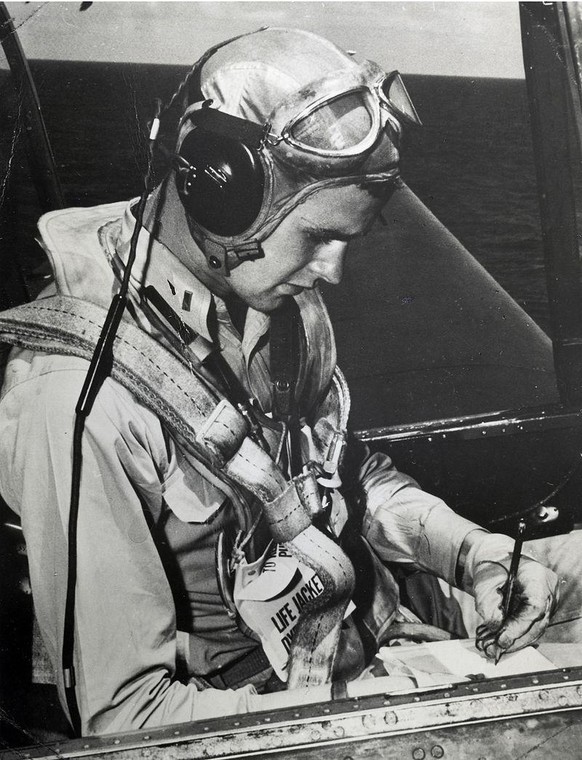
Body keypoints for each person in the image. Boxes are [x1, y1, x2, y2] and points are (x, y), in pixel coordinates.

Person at [0, 26, 578, 738]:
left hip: (384, 621)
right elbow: (127, 723)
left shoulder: (279, 301)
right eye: (316, 238)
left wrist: (473, 553)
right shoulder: (76, 400)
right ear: (220, 190)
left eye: (347, 241)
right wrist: (394, 716)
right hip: (277, 706)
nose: (332, 272)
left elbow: (346, 481)